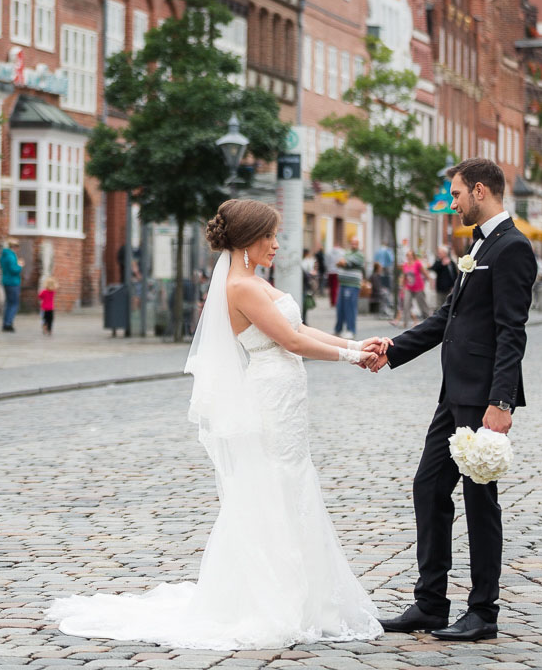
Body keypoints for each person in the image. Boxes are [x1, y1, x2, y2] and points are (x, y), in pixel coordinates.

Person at [50, 198, 391, 649]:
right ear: (247, 240)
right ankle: (275, 597)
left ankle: (306, 596)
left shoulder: (253, 281)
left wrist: (352, 341)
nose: (275, 243)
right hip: (271, 395)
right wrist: (353, 357)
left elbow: (303, 330)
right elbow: (288, 339)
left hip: (285, 395)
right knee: (274, 486)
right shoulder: (240, 287)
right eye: (269, 236)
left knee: (291, 483)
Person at [363, 159, 536, 642]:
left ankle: (483, 612)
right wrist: (393, 349)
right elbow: (447, 319)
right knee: (429, 488)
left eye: (457, 193)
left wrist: (501, 402)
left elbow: (511, 332)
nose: (452, 201)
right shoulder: (478, 244)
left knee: (482, 504)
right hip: (453, 395)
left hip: (482, 399)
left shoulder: (512, 248)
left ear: (480, 191)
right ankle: (431, 604)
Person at [335, 237, 365, 338]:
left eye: (355, 244)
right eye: (352, 243)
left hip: (352, 285)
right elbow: (338, 263)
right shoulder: (347, 253)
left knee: (350, 308)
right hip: (343, 284)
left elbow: (343, 262)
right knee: (340, 307)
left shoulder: (359, 255)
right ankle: (338, 329)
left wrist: (342, 262)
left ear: (358, 244)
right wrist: (342, 262)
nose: (353, 245)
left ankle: (350, 330)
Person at [395, 249, 430, 328]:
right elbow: (404, 276)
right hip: (408, 287)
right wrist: (402, 287)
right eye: (408, 256)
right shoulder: (405, 265)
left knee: (422, 305)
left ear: (413, 256)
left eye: (411, 255)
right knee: (406, 304)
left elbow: (424, 272)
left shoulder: (417, 264)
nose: (409, 257)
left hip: (418, 287)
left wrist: (430, 281)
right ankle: (405, 323)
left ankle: (428, 319)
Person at [0, 239, 23, 332]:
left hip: (6, 281)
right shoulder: (11, 256)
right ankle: (8, 323)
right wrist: (20, 265)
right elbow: (14, 270)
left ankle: (5, 322)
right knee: (14, 304)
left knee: (9, 303)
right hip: (13, 282)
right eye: (17, 247)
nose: (18, 249)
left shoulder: (4, 255)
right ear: (14, 247)